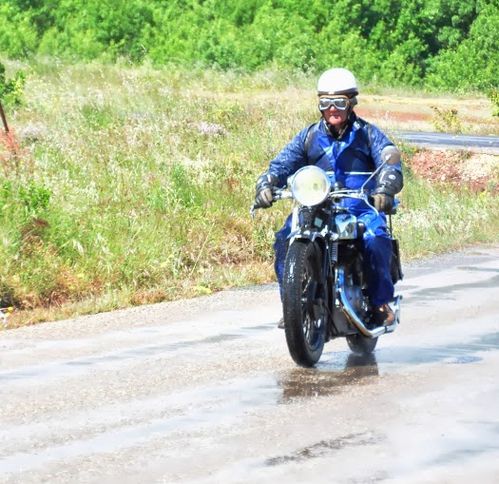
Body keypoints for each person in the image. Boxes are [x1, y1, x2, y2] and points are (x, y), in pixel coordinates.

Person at [253, 67, 403, 328]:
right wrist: (266, 184)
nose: (332, 108)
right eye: (326, 102)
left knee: (375, 237)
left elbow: (390, 165)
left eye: (339, 102)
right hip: (316, 207)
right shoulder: (309, 136)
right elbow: (280, 165)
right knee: (282, 240)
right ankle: (293, 305)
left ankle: (380, 302)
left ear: (351, 103)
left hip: (359, 206)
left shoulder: (368, 134)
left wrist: (384, 190)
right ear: (319, 104)